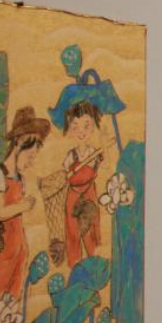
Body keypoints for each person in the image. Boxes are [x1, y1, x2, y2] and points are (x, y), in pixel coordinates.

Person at [0, 107, 45, 301]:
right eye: (30, 156)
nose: (30, 162)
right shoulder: (0, 174)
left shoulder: (19, 178)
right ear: (19, 143)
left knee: (11, 303)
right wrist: (23, 206)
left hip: (16, 251)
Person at [61, 100, 105, 268]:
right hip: (73, 197)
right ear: (70, 128)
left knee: (91, 232)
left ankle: (94, 268)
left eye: (86, 126)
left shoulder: (94, 154)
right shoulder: (70, 156)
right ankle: (75, 269)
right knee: (73, 233)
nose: (81, 131)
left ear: (93, 126)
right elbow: (65, 176)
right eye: (75, 126)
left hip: (89, 195)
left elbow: (105, 165)